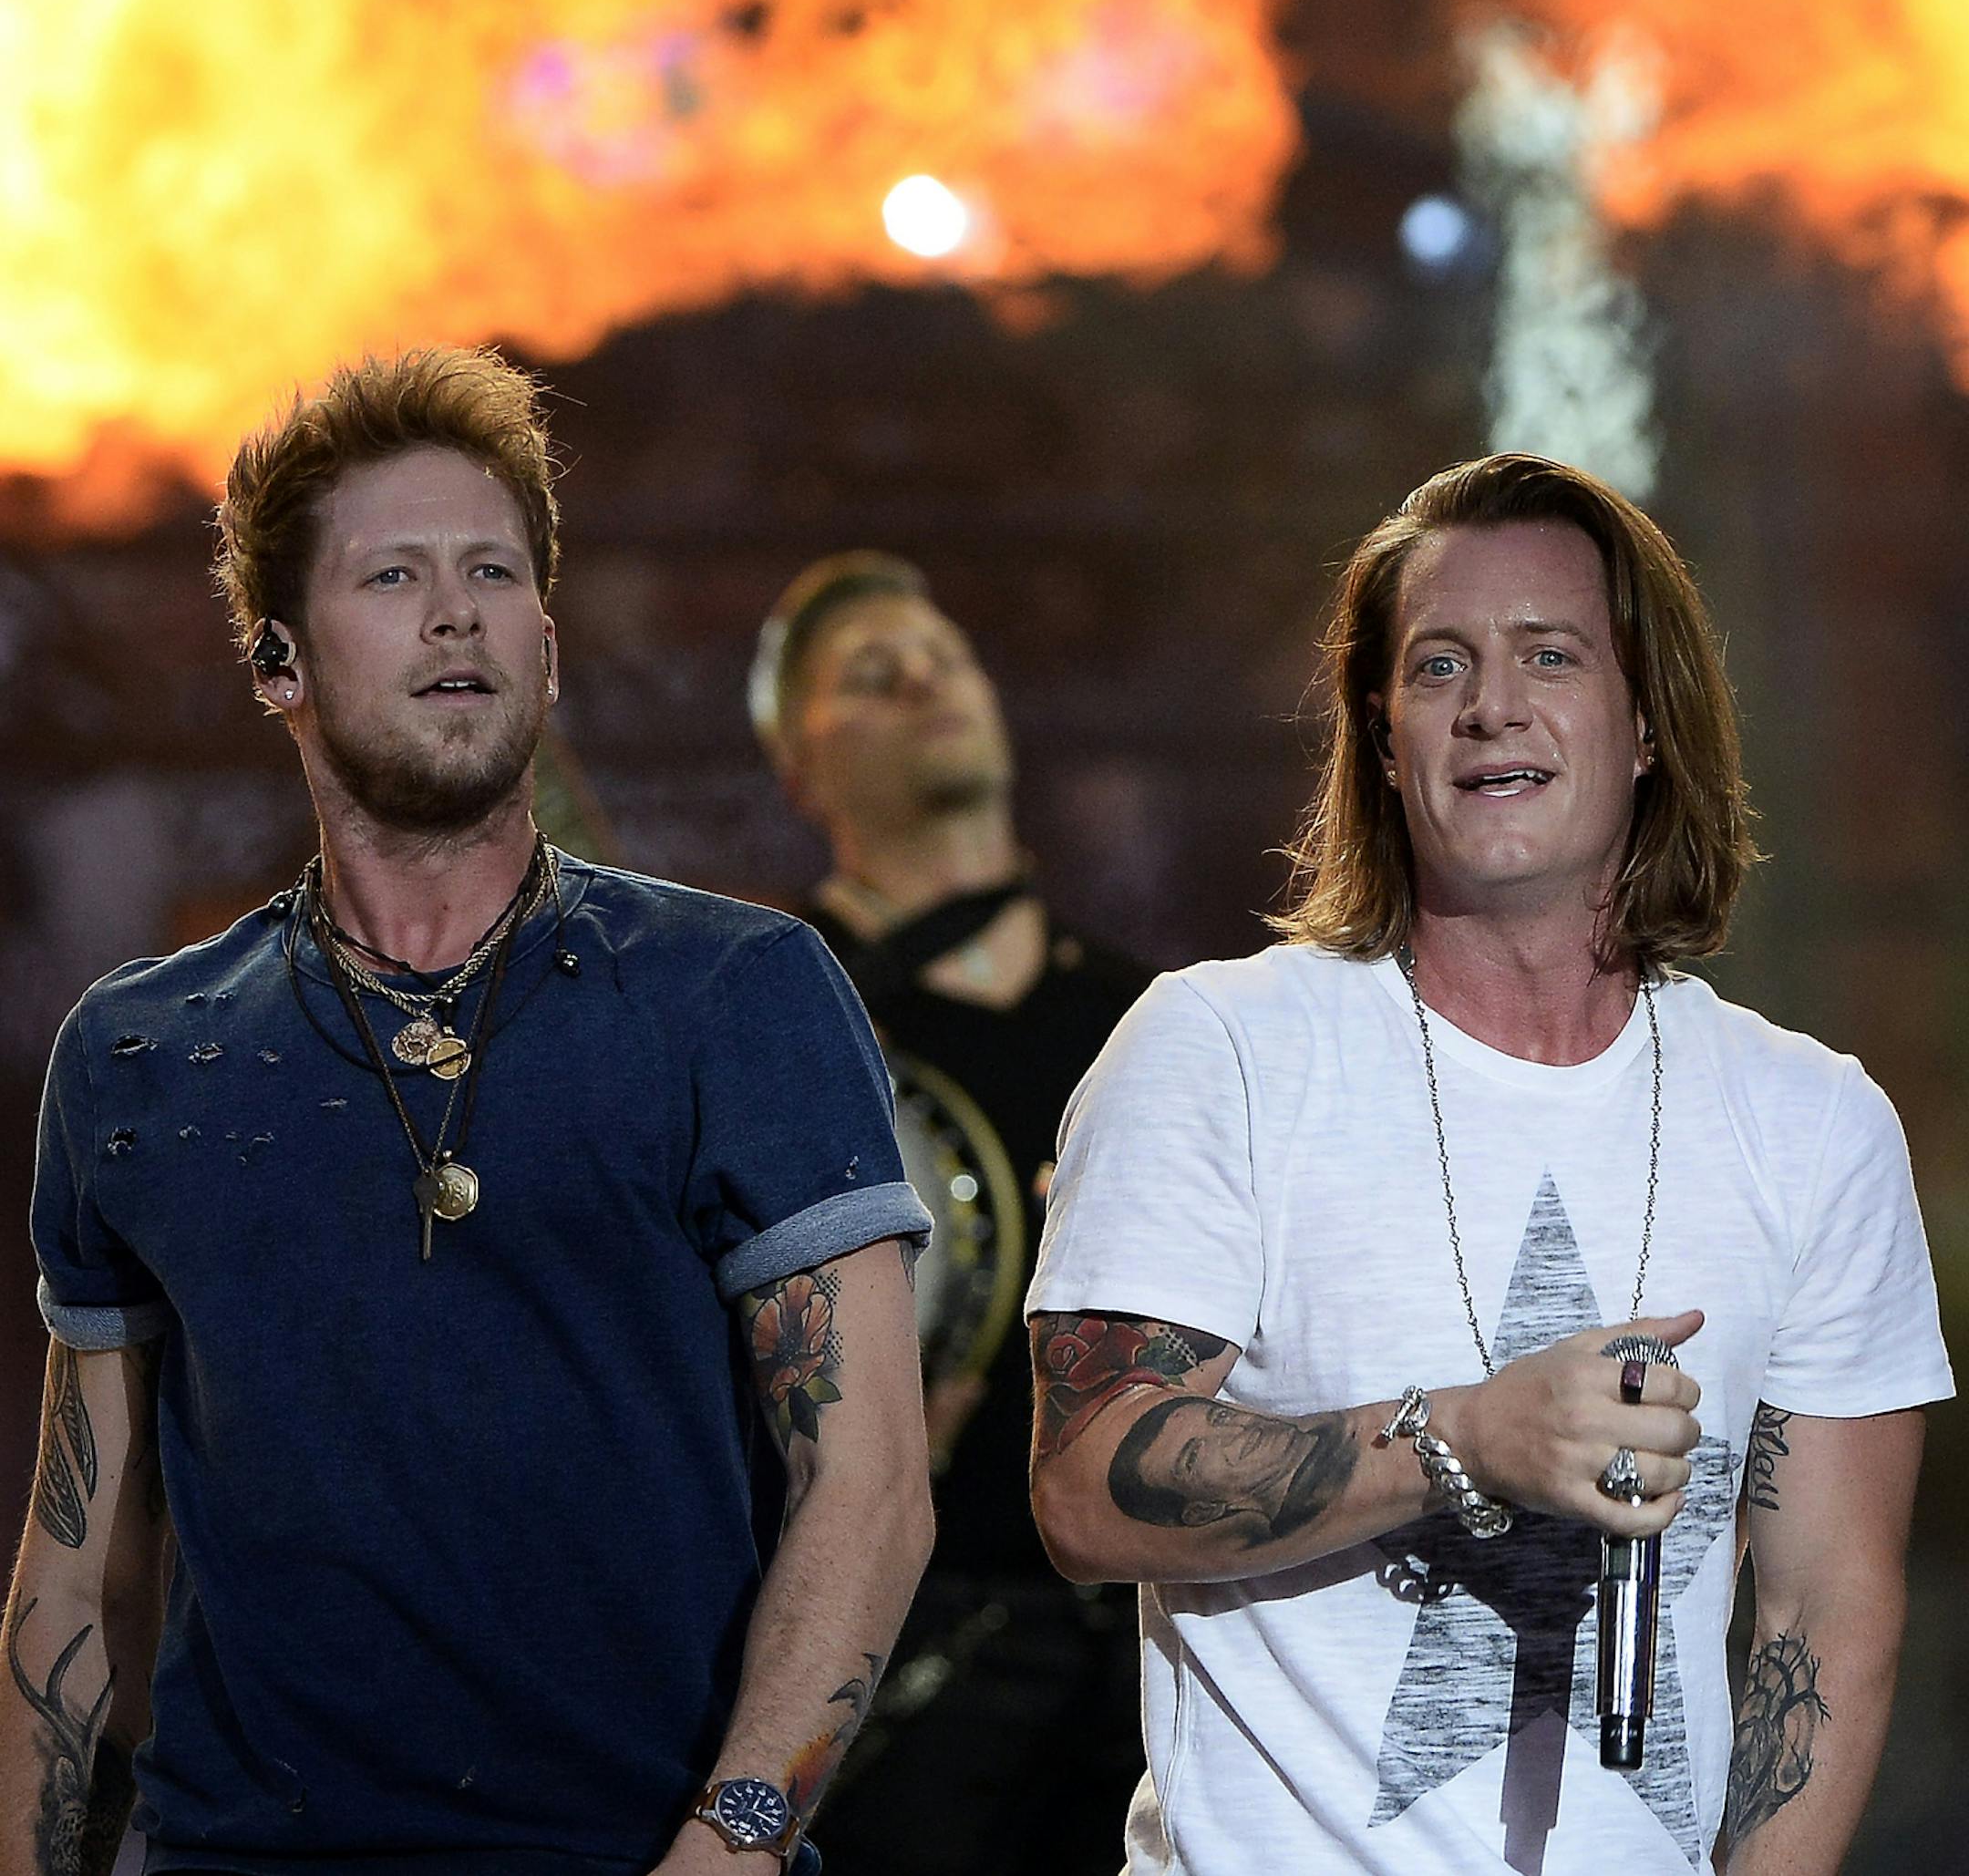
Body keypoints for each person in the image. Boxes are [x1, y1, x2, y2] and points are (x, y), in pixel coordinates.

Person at [3, 349, 935, 1876]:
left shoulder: (737, 991)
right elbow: (73, 1565)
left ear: (548, 651)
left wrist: (735, 1840)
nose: (457, 612)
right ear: (278, 663)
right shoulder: (139, 1048)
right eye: (394, 575)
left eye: (493, 571)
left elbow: (872, 1482)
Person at [1026, 452, 1953, 1876]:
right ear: (1383, 733)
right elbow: (1085, 1488)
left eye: (1550, 654)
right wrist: (1462, 1439)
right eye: (1440, 663)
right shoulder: (1218, 1047)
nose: (1491, 705)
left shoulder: (1813, 1119)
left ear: (1648, 724)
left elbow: (1826, 1610)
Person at [749, 554, 1149, 1876]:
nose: (925, 681)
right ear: (797, 766)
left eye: (945, 657)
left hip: (1155, 1658)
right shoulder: (763, 1017)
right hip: (903, 1676)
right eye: (873, 674)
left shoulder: (1152, 1022)